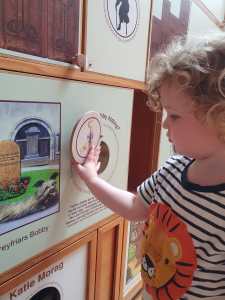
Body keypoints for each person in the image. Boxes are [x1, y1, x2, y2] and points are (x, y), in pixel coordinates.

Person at [72, 33, 225, 300]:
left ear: (220, 118)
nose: (164, 124)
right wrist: (93, 180)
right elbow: (136, 206)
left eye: (174, 116)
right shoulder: (173, 169)